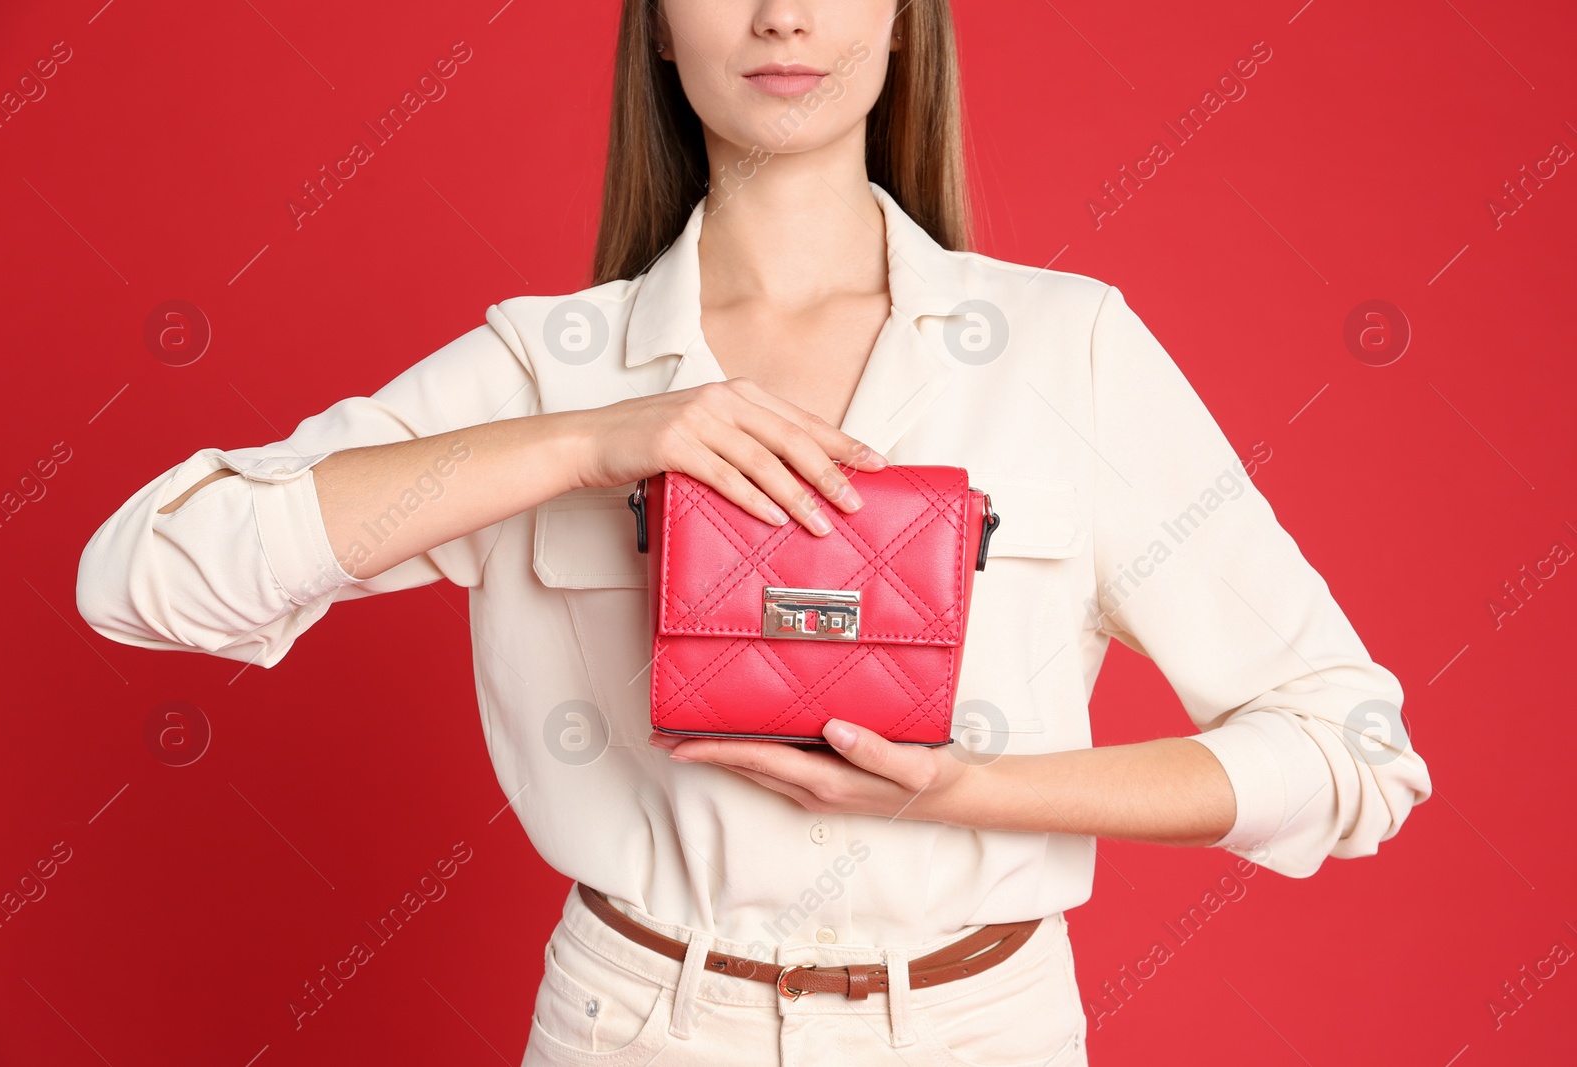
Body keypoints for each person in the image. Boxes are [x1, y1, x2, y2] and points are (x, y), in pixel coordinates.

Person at [76, 2, 1432, 1063]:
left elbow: (1350, 750)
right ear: (658, 20)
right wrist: (590, 442)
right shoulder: (550, 366)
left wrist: (971, 791)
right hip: (636, 1029)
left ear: (902, 16)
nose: (784, 16)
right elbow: (148, 580)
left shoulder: (1065, 350)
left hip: (979, 1033)